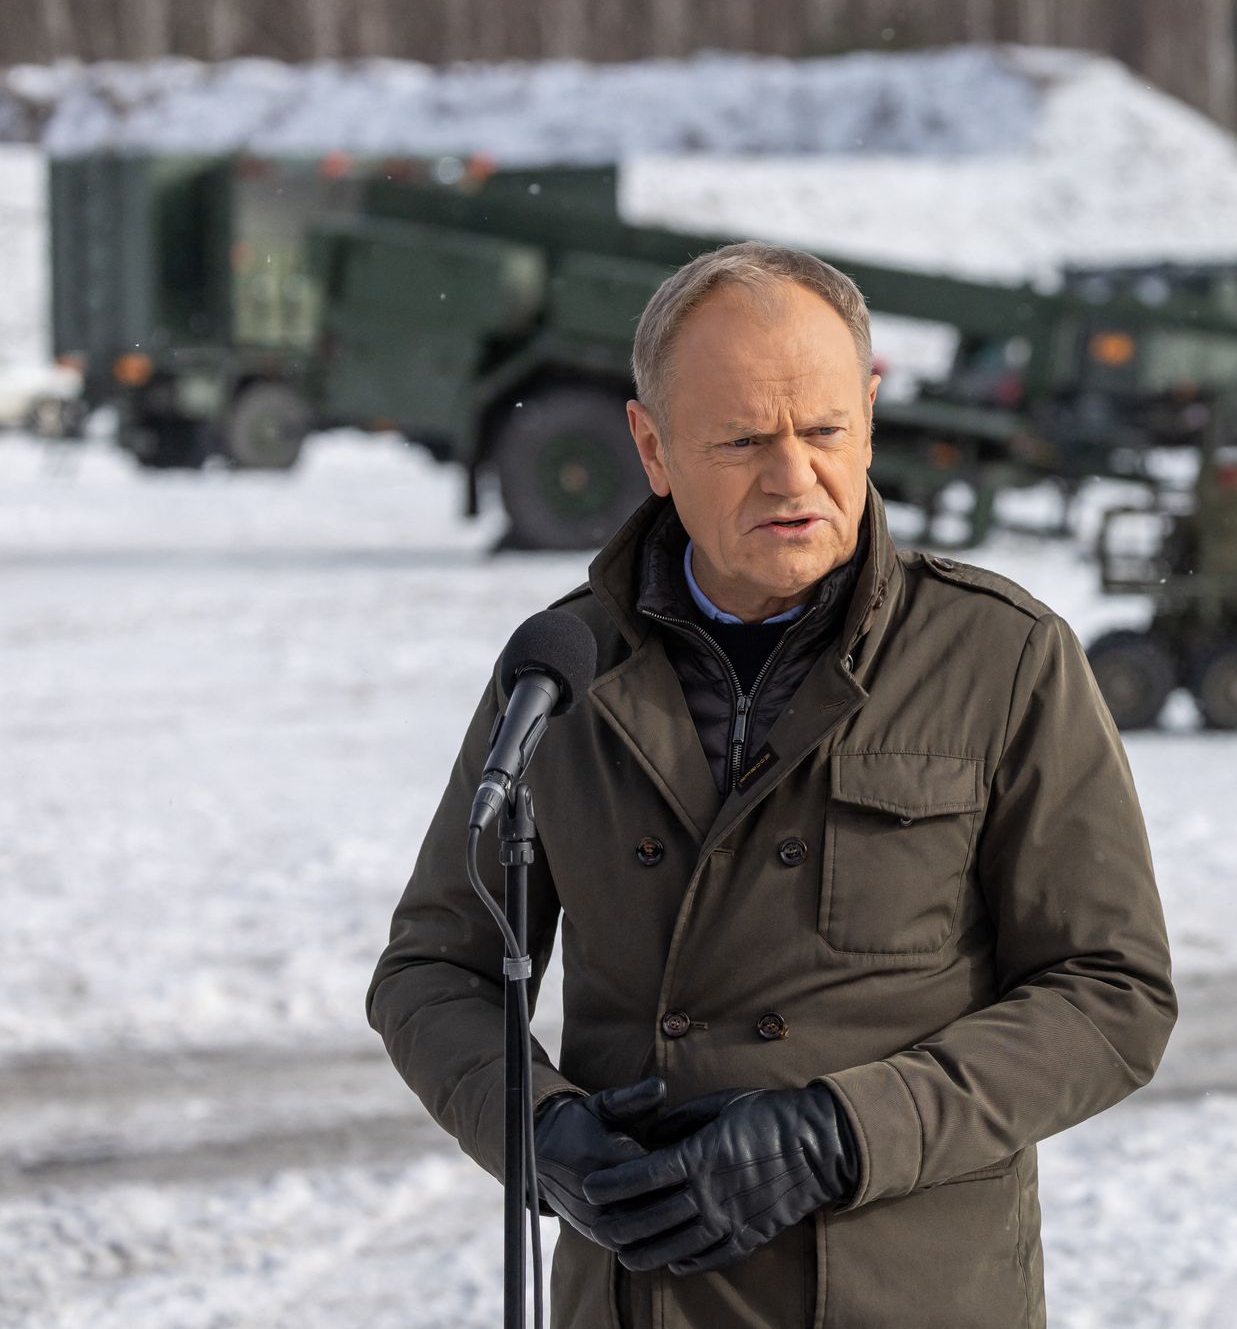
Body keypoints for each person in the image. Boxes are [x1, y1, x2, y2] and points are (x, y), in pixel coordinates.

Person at [366, 241, 1177, 1327]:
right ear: (651, 446)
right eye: (743, 439)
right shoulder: (562, 669)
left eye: (825, 430)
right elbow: (432, 968)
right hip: (638, 1299)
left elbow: (1111, 992)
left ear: (870, 415)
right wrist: (537, 1131)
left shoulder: (1003, 658)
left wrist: (843, 1134)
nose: (793, 477)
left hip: (912, 1301)